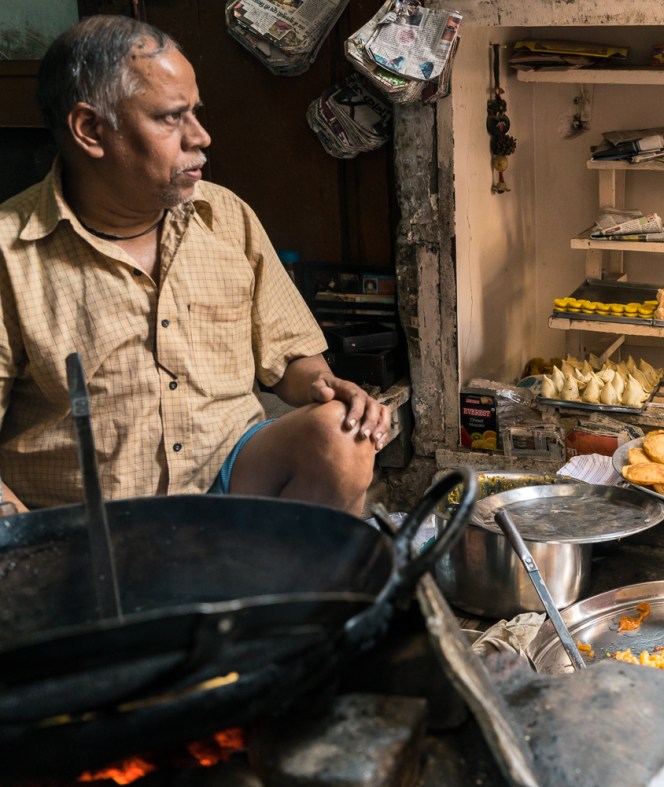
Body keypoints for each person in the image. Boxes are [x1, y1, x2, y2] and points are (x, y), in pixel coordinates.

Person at [0, 15, 389, 517]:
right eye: (170, 117)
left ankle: (268, 587)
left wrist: (326, 384)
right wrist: (32, 546)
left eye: (196, 113)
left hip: (230, 478)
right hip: (92, 527)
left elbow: (292, 358)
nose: (200, 136)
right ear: (90, 129)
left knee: (340, 435)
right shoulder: (11, 253)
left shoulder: (224, 215)